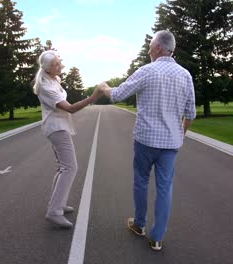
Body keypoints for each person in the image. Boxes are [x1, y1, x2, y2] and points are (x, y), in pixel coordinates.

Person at [98, 30, 196, 250]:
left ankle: (140, 224)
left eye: (151, 46)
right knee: (165, 188)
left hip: (146, 140)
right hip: (170, 143)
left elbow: (116, 95)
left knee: (141, 180)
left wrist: (104, 87)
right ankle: (157, 237)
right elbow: (190, 113)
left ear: (159, 48)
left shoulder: (147, 71)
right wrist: (180, 135)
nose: (149, 50)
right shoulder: (185, 75)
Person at [34, 50, 102, 228]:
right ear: (48, 69)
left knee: (63, 167)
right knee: (70, 167)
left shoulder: (53, 80)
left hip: (58, 126)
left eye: (59, 62)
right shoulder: (46, 87)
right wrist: (94, 97)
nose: (60, 66)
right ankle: (54, 211)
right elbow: (70, 108)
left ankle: (59, 204)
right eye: (56, 64)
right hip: (56, 128)